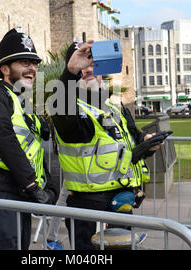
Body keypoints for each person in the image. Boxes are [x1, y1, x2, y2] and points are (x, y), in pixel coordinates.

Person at [50, 41, 164, 250]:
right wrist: (70, 72)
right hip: (89, 209)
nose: (89, 70)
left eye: (94, 63)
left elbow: (127, 144)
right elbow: (61, 108)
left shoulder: (113, 108)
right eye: (82, 67)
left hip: (121, 204)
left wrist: (146, 144)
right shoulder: (69, 108)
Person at [0, 28, 58, 250]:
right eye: (24, 63)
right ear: (5, 68)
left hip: (15, 190)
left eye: (34, 63)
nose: (32, 68)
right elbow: (5, 140)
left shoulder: (21, 103)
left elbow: (35, 149)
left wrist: (49, 187)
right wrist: (33, 185)